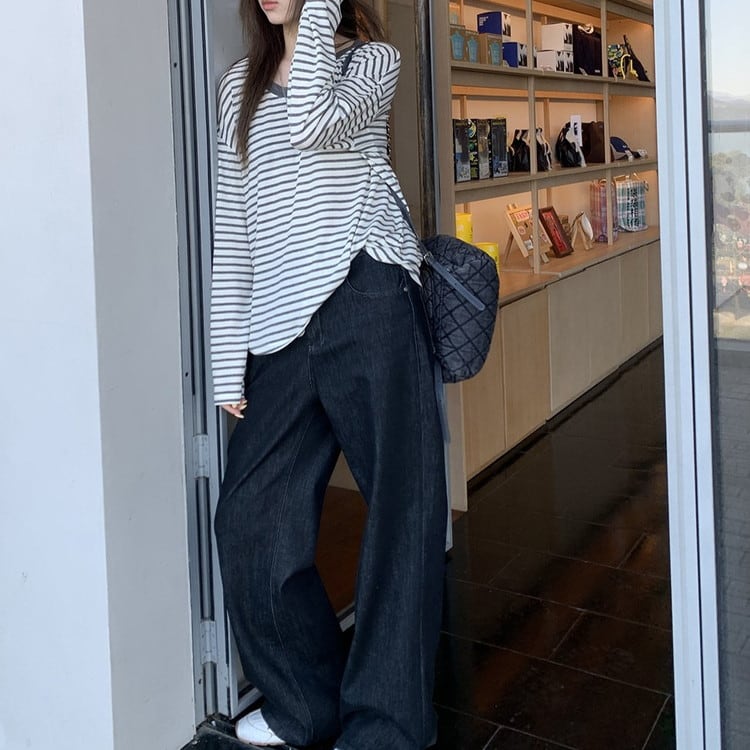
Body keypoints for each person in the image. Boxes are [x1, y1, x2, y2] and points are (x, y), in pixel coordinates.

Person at [209, 0, 447, 747]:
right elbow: (234, 231)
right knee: (249, 519)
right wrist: (226, 361)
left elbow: (313, 122)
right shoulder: (236, 89)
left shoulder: (370, 63)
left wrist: (315, 15)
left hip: (367, 295)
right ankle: (303, 706)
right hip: (278, 327)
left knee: (402, 513)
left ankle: (385, 726)